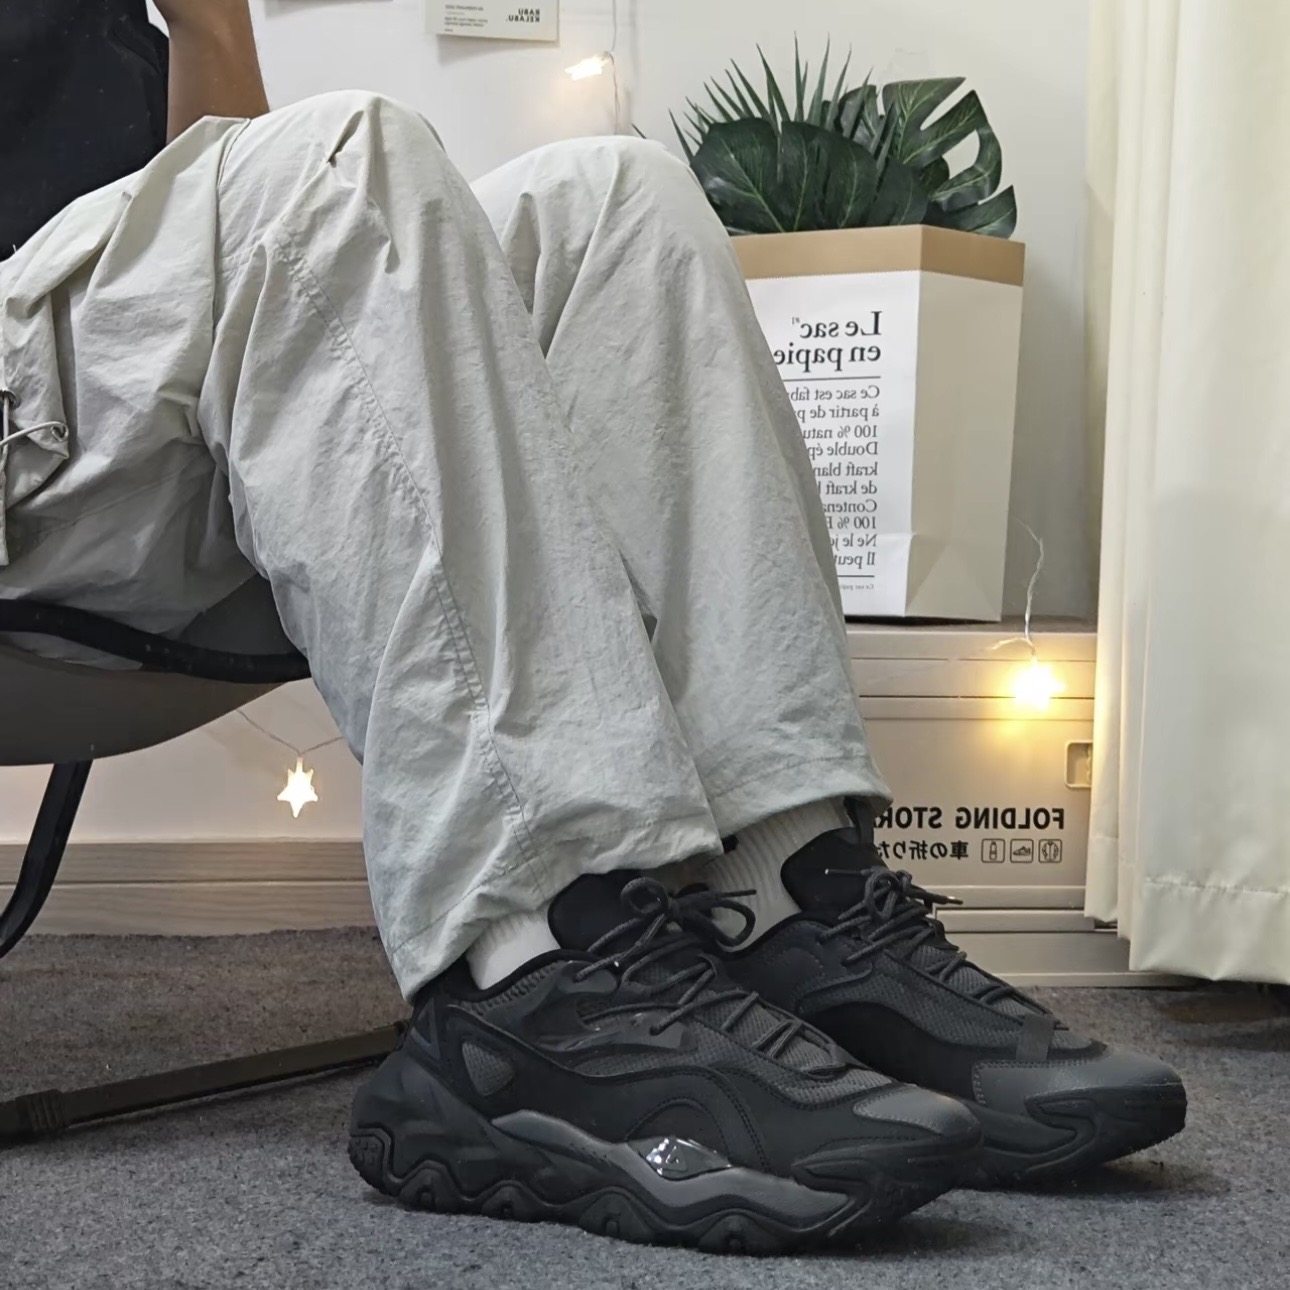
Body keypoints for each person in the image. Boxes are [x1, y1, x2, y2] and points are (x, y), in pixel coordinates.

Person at [1, 0, 1185, 1252]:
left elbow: (207, 225)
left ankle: (779, 895)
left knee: (615, 200)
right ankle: (530, 976)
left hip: (133, 457)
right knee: (336, 159)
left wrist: (206, 23)